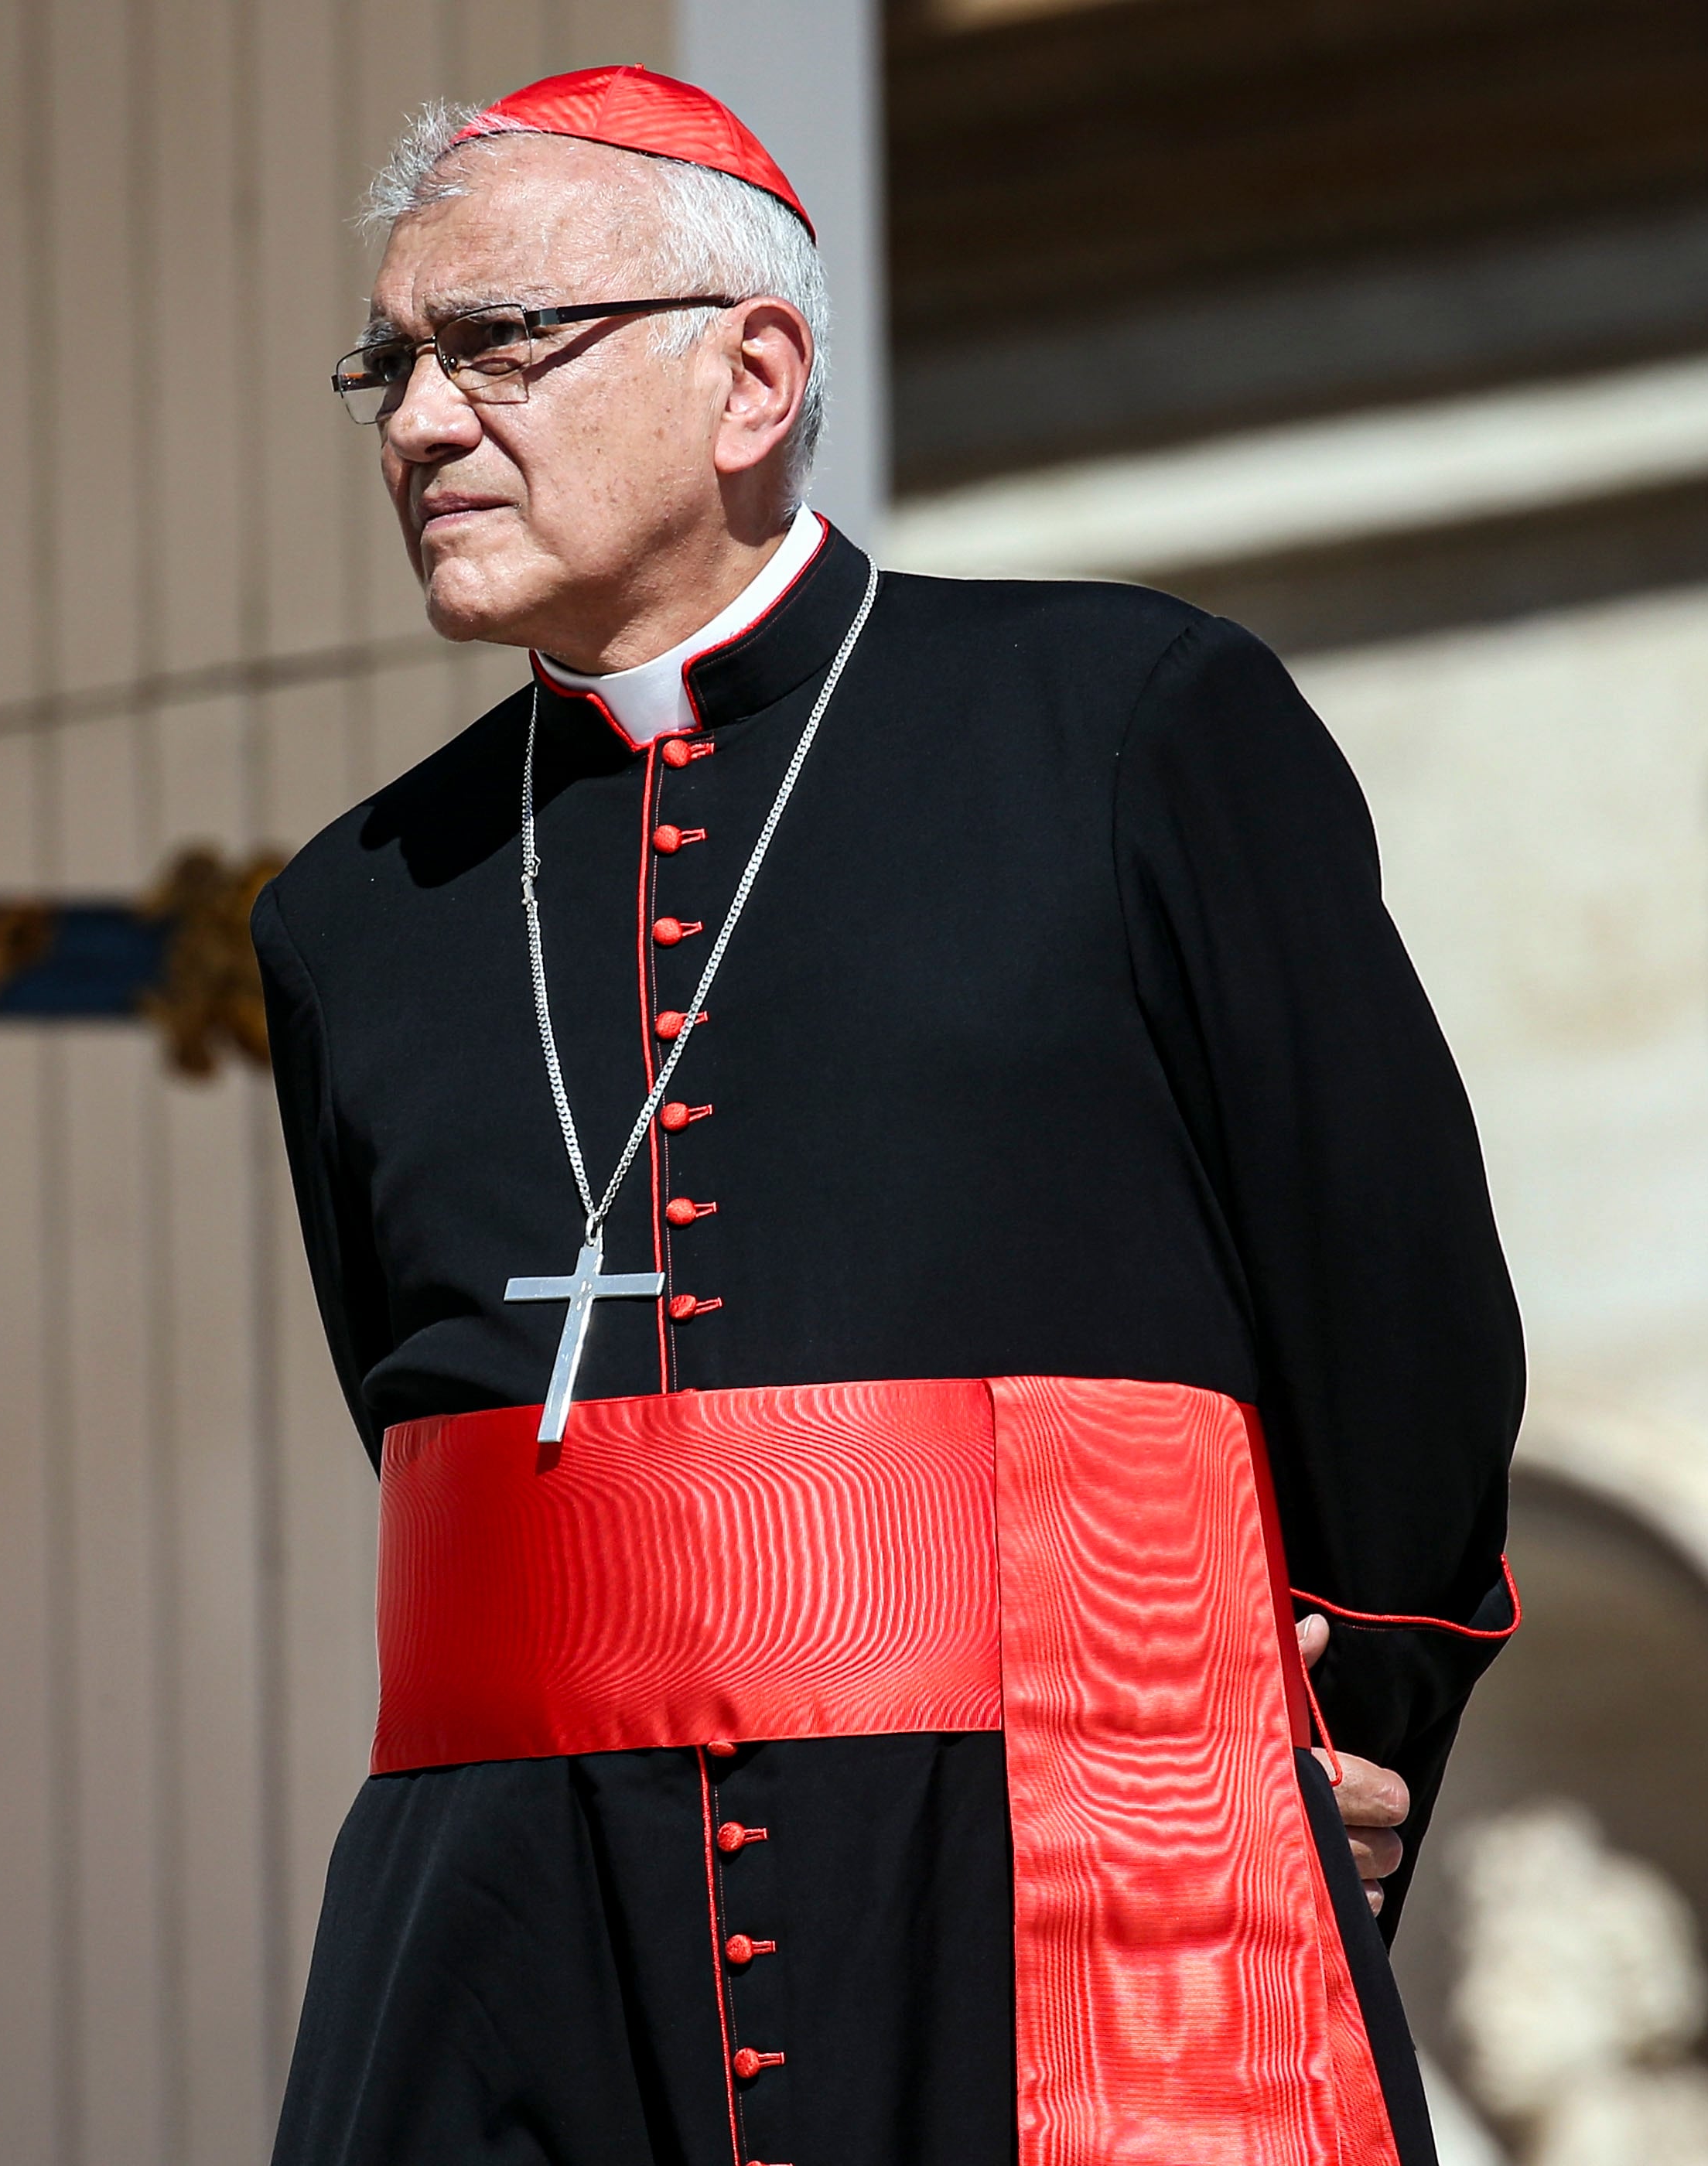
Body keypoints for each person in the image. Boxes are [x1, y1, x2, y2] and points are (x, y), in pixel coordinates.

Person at [256, 66, 1522, 2166]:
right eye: (388, 364)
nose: (419, 422)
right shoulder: (354, 914)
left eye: (496, 345)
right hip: (523, 1916)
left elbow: (1390, 1291)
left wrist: (1349, 1725)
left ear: (752, 378)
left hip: (1052, 1848)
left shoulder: (1124, 725)